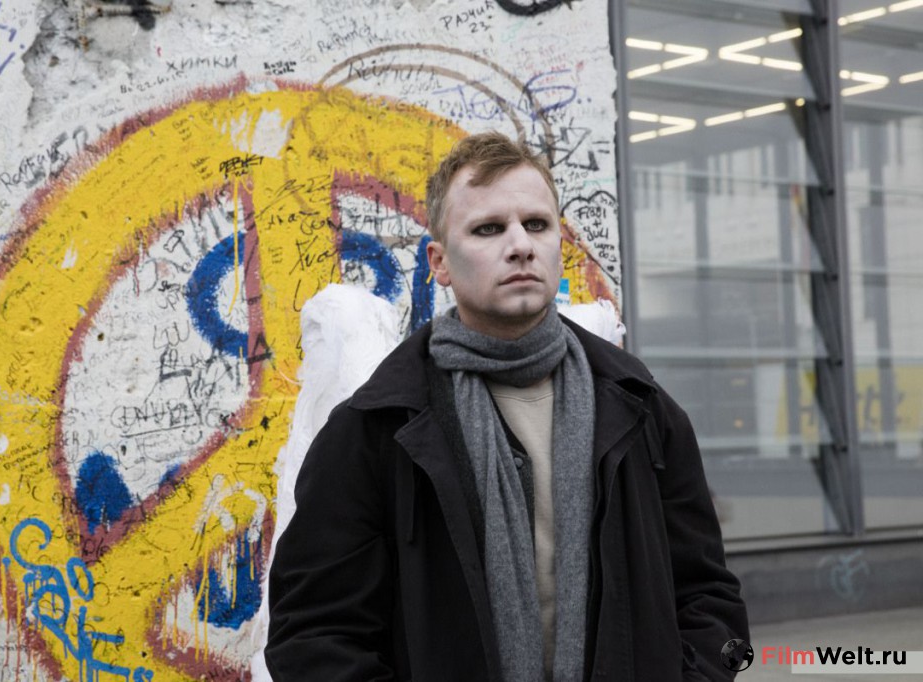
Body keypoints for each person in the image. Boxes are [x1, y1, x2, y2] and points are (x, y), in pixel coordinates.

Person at [266, 132, 749, 681]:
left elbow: (710, 597)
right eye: (489, 229)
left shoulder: (641, 410)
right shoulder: (376, 429)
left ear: (558, 245)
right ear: (440, 262)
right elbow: (313, 634)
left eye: (536, 224)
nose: (520, 245)